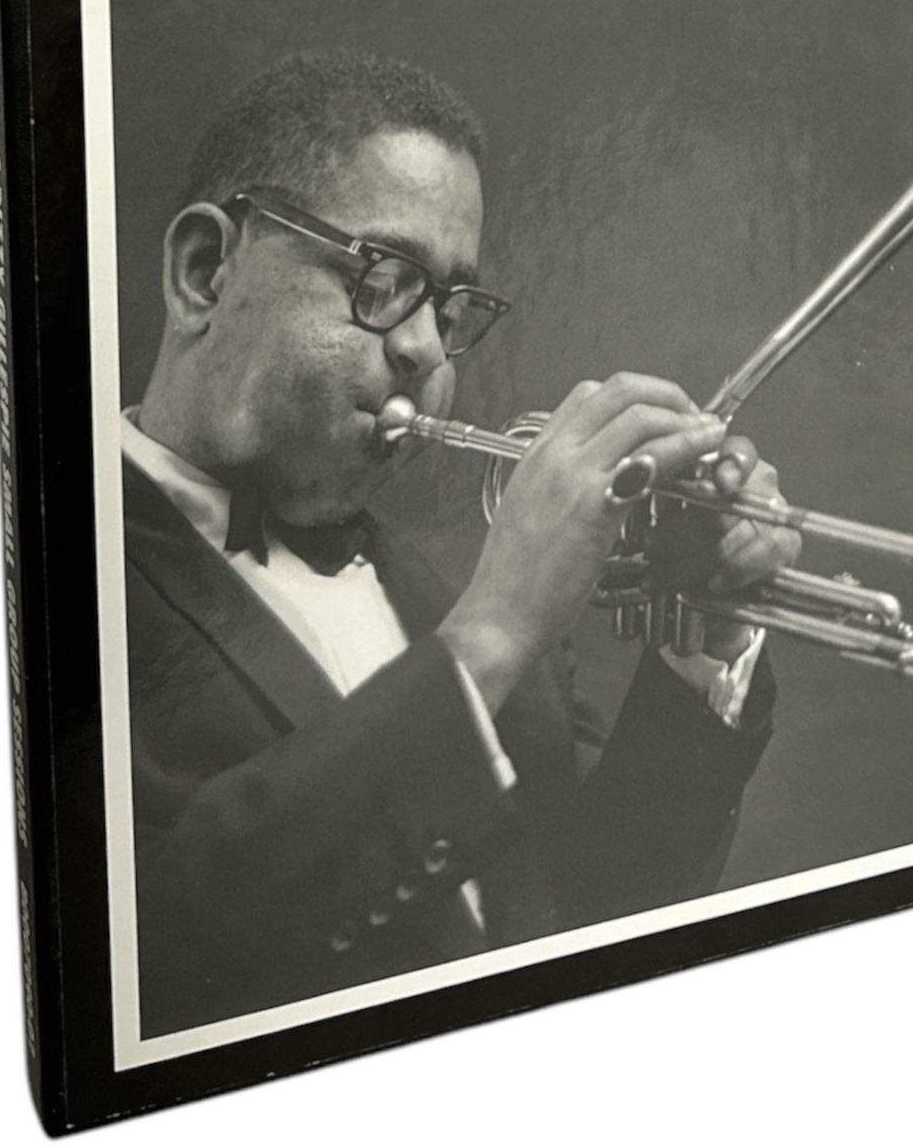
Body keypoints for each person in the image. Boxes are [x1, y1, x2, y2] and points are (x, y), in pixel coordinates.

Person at [122, 50, 800, 1036]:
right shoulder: (41, 590)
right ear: (203, 273)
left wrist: (705, 641)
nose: (426, 350)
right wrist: (492, 633)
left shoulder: (447, 592)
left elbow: (588, 923)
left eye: (448, 308)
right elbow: (156, 961)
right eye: (382, 279)